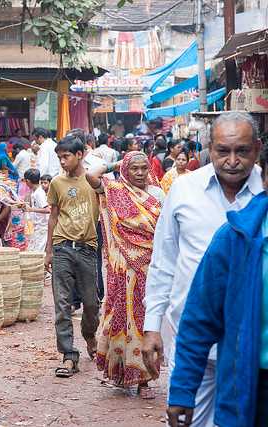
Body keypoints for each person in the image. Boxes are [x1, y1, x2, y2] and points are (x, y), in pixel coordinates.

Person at [142, 112, 263, 427]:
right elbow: (164, 261)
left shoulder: (265, 191)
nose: (232, 160)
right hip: (190, 338)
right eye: (224, 151)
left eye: (242, 151)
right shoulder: (184, 190)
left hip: (244, 350)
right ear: (210, 149)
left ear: (257, 149)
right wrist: (152, 325)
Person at [86, 152, 163, 398]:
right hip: (123, 268)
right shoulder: (114, 189)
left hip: (150, 265)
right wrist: (115, 164)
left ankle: (144, 380)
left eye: (144, 168)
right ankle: (121, 372)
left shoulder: (158, 195)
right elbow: (91, 174)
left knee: (144, 320)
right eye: (134, 169)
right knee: (123, 318)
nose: (140, 173)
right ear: (125, 170)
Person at [44, 135, 100, 378]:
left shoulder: (94, 181)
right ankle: (68, 355)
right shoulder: (56, 183)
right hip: (62, 248)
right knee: (62, 304)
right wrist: (48, 251)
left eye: (66, 156)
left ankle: (89, 334)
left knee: (91, 304)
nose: (62, 161)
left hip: (88, 248)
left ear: (80, 154)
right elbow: (53, 217)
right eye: (59, 157)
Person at [23, 168, 50, 252]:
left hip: (42, 227)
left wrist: (31, 209)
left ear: (28, 181)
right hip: (38, 226)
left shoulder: (39, 193)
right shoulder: (35, 192)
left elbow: (47, 210)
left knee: (37, 252)